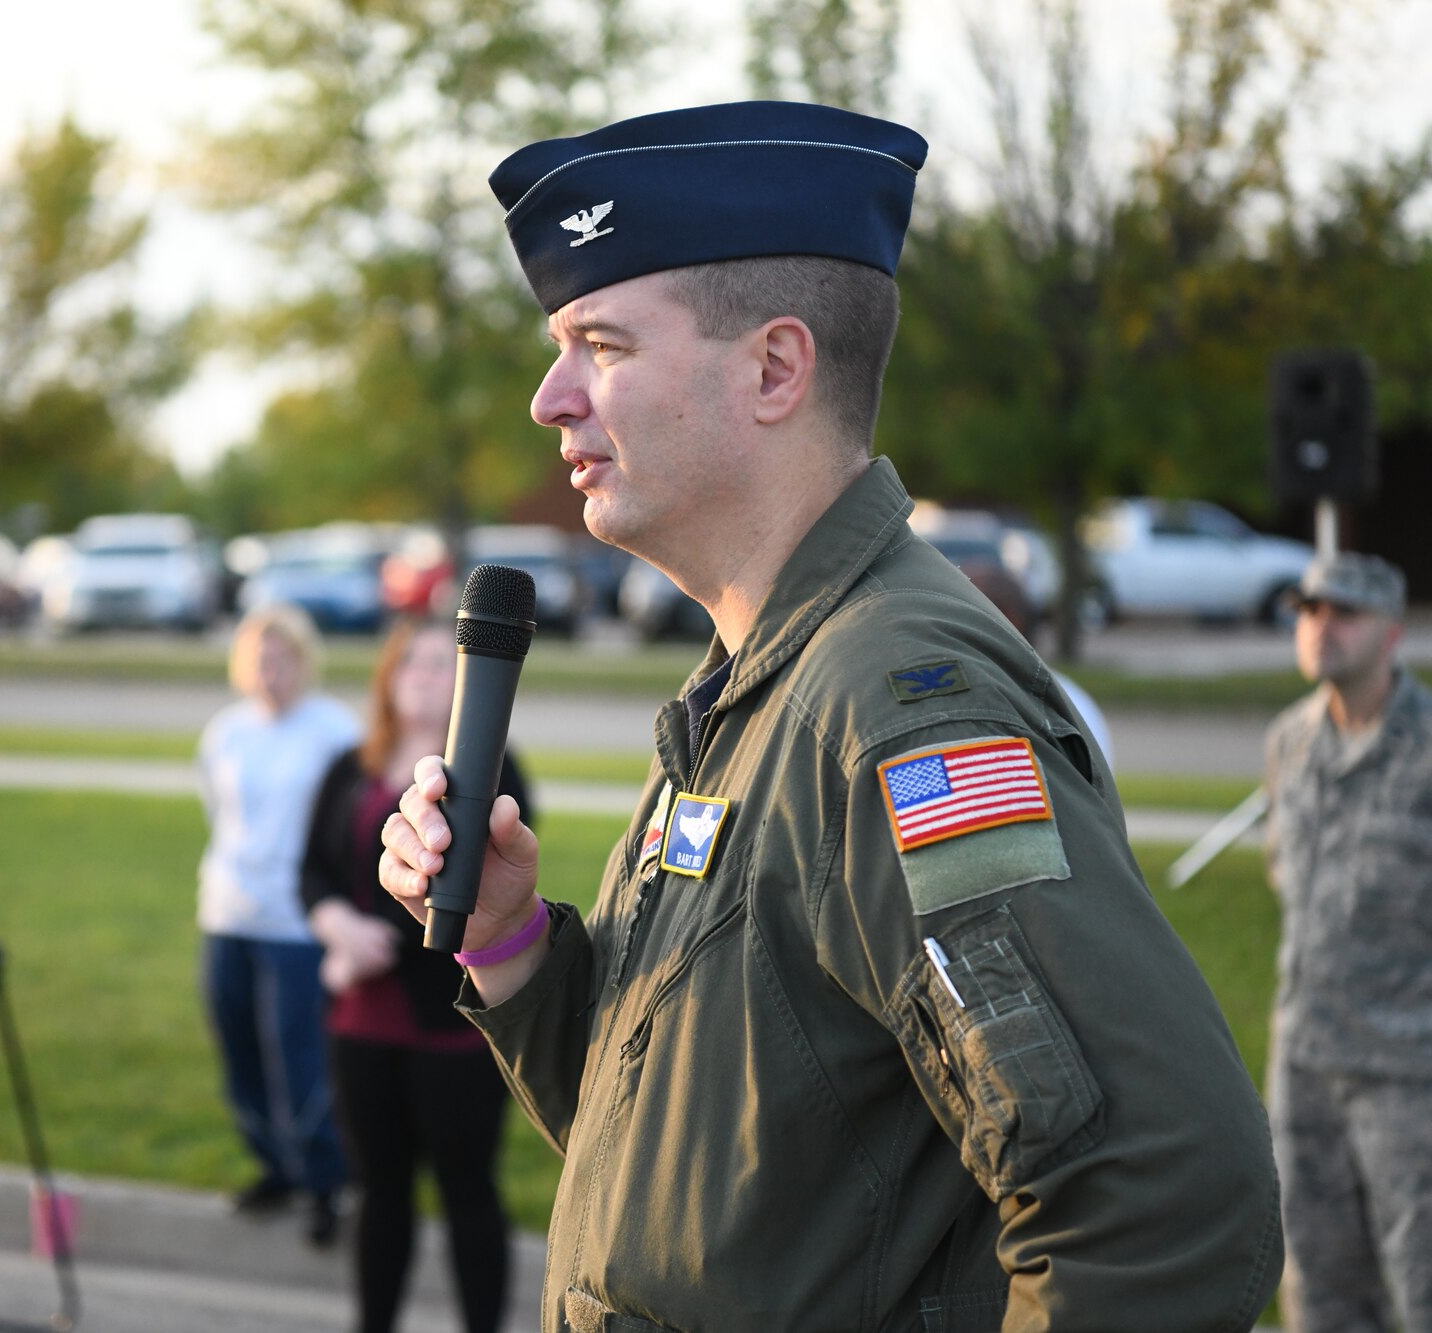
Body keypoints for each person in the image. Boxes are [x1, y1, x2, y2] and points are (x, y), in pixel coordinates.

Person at [378, 101, 1282, 1330]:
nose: (550, 399)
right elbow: (683, 1155)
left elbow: (1158, 1206)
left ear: (773, 368)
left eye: (603, 345)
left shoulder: (895, 706)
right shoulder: (757, 684)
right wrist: (508, 942)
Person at [303, 618, 532, 1333]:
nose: (424, 676)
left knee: (468, 1189)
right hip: (362, 1021)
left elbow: (474, 895)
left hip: (453, 1021)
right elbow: (312, 871)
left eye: (441, 664)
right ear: (388, 678)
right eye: (412, 663)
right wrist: (337, 931)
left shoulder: (495, 769)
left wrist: (378, 947)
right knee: (380, 1192)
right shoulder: (351, 764)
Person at [1264, 552, 1432, 1333]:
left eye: (1344, 613)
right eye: (1308, 610)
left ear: (1393, 632)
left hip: (1409, 1072)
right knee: (1319, 1286)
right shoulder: (1288, 743)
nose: (1320, 629)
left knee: (1420, 1280)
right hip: (1304, 1062)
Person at [197, 603, 360, 1244]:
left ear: (305, 662)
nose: (273, 672)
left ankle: (326, 1183)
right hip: (228, 915)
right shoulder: (225, 733)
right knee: (240, 1054)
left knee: (300, 1060)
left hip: (297, 925)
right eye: (261, 660)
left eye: (284, 659)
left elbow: (347, 832)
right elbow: (217, 809)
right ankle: (276, 1167)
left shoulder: (334, 732)